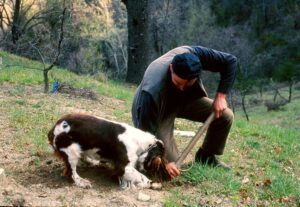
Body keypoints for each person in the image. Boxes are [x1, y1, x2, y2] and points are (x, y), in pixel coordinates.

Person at [131, 46, 237, 178]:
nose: (181, 88)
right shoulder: (151, 92)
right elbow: (145, 133)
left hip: (184, 101)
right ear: (171, 68)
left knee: (225, 116)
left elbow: (230, 61)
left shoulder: (194, 55)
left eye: (187, 84)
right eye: (178, 83)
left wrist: (221, 96)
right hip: (159, 109)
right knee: (170, 167)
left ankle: (206, 157)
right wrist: (164, 161)